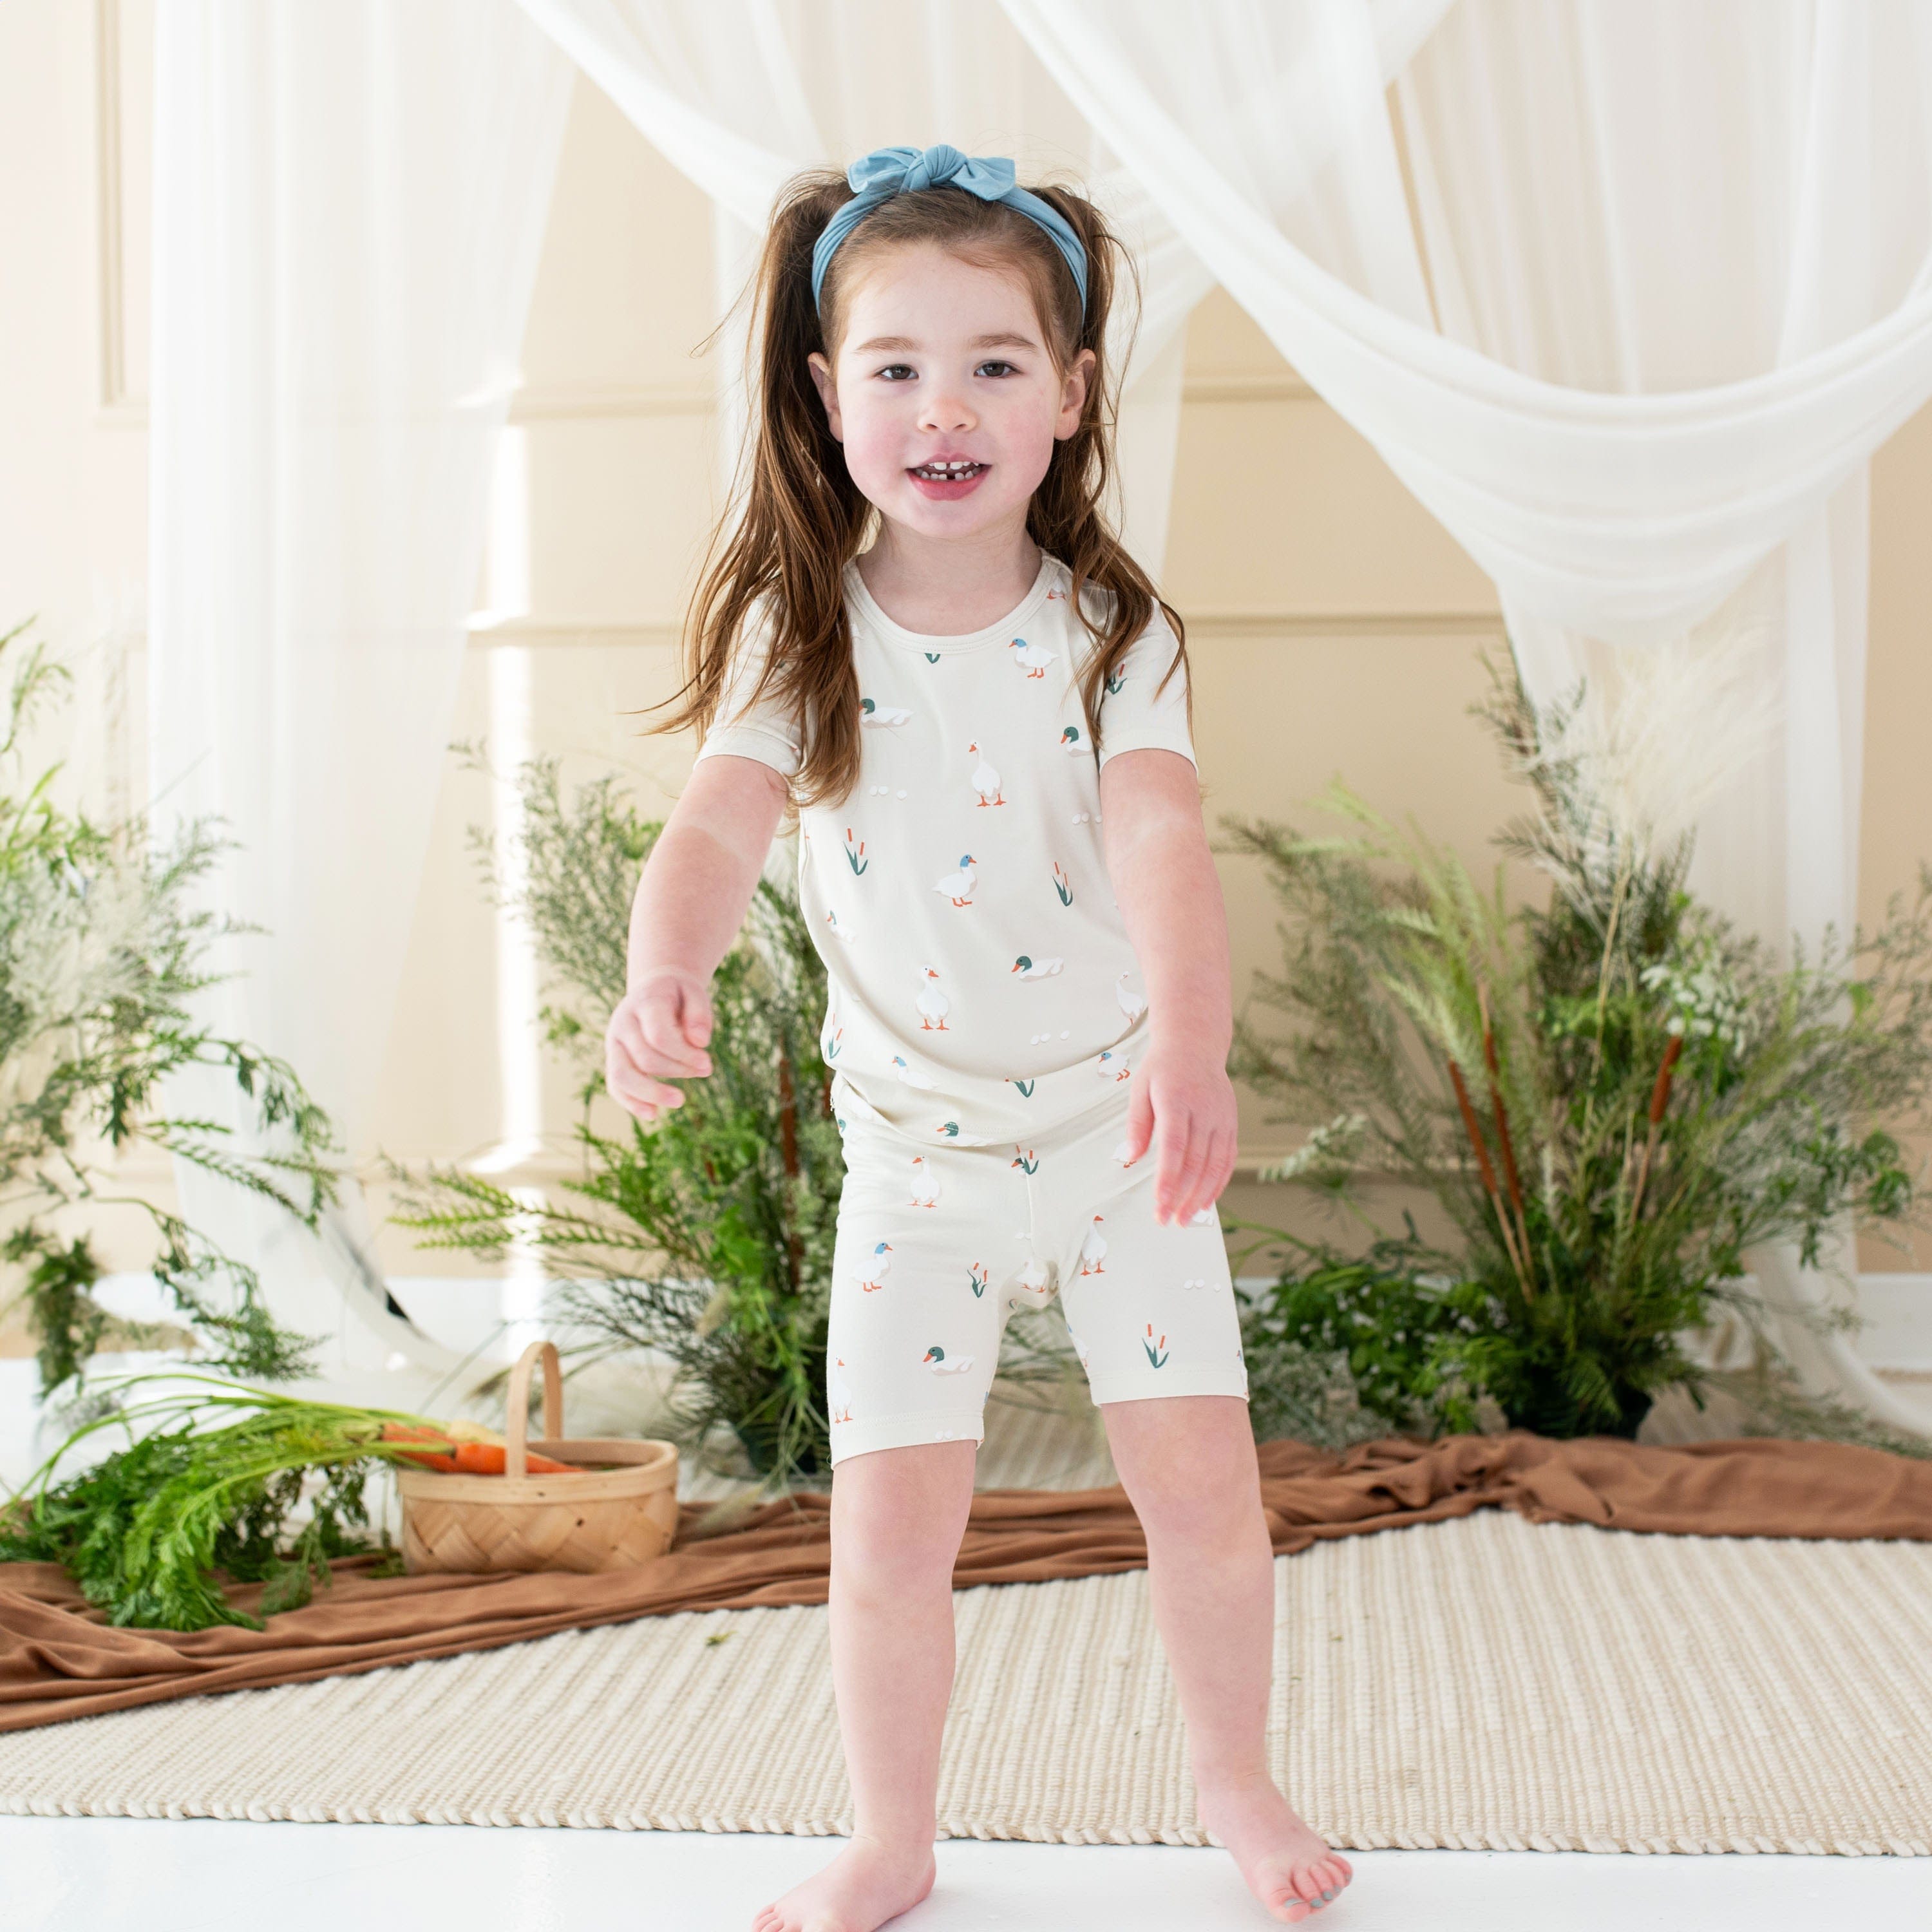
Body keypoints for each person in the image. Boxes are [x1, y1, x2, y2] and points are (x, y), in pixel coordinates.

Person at [604, 144, 1352, 1932]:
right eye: (898, 368)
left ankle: (1235, 1779)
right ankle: (894, 1836)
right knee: (889, 1531)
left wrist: (1191, 1047)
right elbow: (714, 824)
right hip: (915, 1165)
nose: (945, 408)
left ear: (1071, 395)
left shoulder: (1111, 636)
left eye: (995, 364)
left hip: (1117, 1137)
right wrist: (663, 967)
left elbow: (1163, 842)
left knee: (1203, 1494)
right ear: (826, 393)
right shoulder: (804, 633)